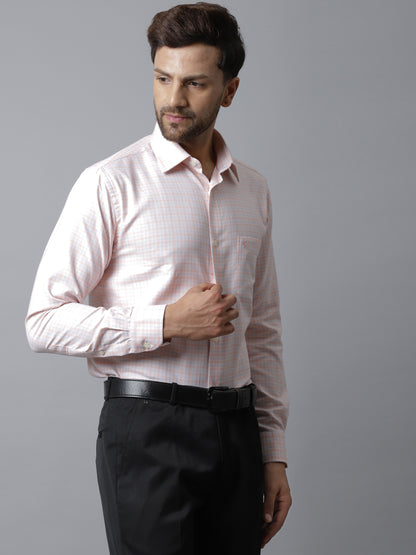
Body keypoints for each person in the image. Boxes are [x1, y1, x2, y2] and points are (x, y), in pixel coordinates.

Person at [25, 2, 291, 554]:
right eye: (163, 78)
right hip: (146, 430)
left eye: (195, 83)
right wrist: (166, 322)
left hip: (239, 434)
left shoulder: (254, 191)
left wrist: (273, 454)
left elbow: (262, 331)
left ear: (230, 90)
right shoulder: (109, 183)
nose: (173, 99)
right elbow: (43, 322)